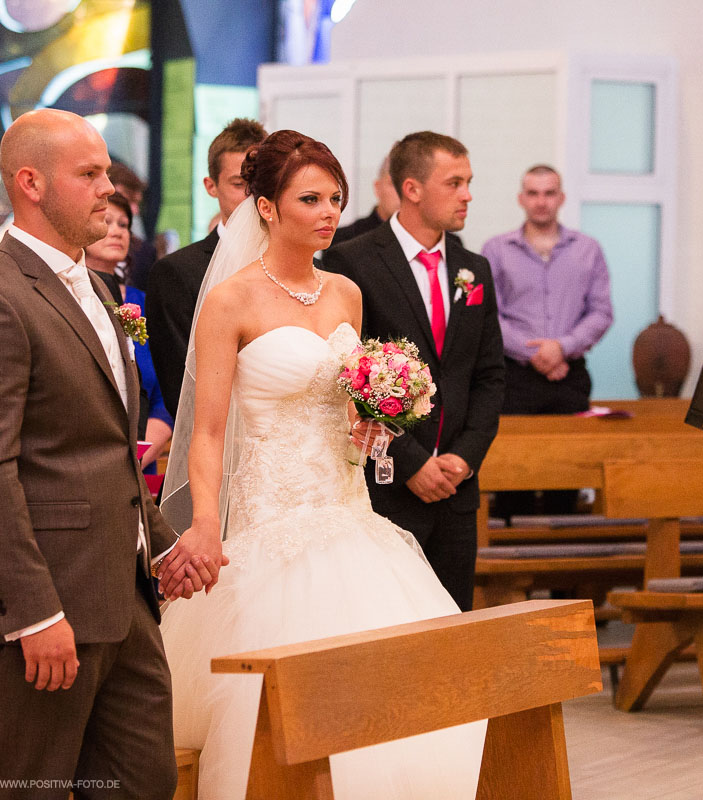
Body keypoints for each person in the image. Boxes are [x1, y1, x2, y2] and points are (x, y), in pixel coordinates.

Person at [157, 129, 485, 800]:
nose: (329, 212)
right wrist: (205, 524)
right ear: (268, 207)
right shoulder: (231, 300)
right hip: (267, 518)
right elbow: (210, 432)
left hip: (348, 509)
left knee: (397, 697)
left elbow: (343, 400)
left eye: (335, 197)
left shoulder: (345, 294)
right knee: (273, 712)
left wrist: (370, 415)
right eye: (310, 198)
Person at [0, 108, 221, 799]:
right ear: (30, 183)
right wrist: (34, 614)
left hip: (122, 597)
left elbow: (106, 448)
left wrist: (160, 543)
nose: (108, 190)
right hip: (44, 605)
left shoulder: (93, 285)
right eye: (89, 174)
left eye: (108, 174)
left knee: (142, 784)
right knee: (30, 786)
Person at [321, 131, 506, 611]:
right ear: (412, 189)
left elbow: (488, 376)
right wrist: (412, 464)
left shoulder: (474, 269)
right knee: (389, 625)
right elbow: (348, 378)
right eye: (455, 183)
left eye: (468, 182)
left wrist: (463, 458)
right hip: (388, 485)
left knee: (453, 625)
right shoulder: (353, 260)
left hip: (457, 489)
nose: (468, 194)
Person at [481, 164, 613, 517]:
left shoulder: (588, 249)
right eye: (534, 193)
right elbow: (488, 315)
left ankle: (566, 558)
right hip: (514, 379)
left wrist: (562, 348)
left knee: (566, 475)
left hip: (569, 377)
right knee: (513, 475)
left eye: (549, 193)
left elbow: (601, 312)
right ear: (521, 198)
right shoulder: (495, 250)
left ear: (562, 198)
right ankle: (509, 558)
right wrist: (535, 354)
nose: (541, 202)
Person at [146, 118, 267, 418]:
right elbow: (180, 389)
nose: (252, 197)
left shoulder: (307, 267)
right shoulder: (176, 272)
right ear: (211, 186)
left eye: (261, 184)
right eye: (239, 184)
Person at [86, 193, 173, 471]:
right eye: (106, 221)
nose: (117, 232)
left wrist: (139, 454)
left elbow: (164, 392)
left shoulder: (144, 303)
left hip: (141, 462)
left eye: (124, 225)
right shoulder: (66, 300)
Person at [106, 160, 157, 289]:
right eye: (127, 200)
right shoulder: (75, 249)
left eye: (137, 203)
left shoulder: (145, 253)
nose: (134, 210)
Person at [329, 152, 399, 245]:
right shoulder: (344, 240)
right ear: (377, 187)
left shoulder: (422, 239)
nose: (403, 193)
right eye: (394, 184)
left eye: (411, 187)